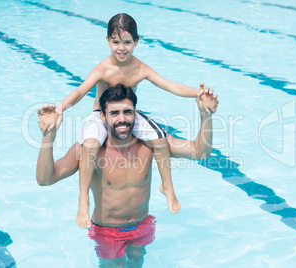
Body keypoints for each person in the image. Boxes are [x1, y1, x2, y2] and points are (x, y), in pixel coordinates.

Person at [39, 13, 219, 229]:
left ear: (136, 41)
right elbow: (79, 92)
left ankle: (168, 187)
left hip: (142, 227)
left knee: (160, 139)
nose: (121, 48)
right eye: (115, 42)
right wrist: (58, 111)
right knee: (91, 145)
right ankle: (83, 199)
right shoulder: (103, 68)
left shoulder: (140, 68)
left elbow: (171, 86)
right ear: (107, 41)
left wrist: (198, 97)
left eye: (127, 42)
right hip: (99, 115)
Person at [36, 84, 215, 266]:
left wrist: (205, 115)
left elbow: (200, 152)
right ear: (103, 117)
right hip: (107, 232)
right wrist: (48, 137)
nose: (122, 119)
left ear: (135, 114)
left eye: (127, 112)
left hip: (142, 225)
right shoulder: (91, 151)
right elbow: (45, 179)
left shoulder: (150, 143)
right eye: (114, 113)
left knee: (137, 261)